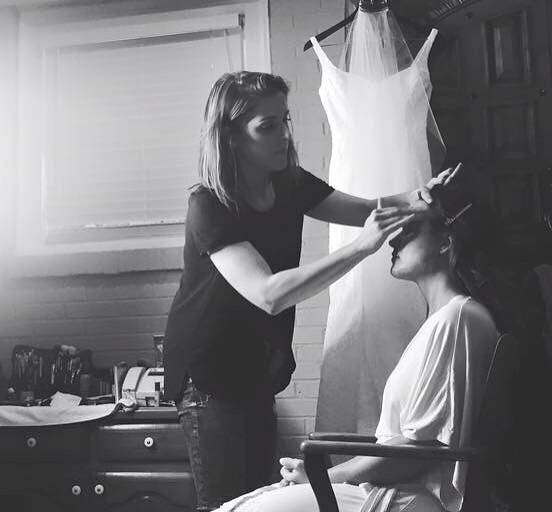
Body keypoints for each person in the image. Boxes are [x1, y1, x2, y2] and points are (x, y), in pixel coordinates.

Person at [162, 70, 457, 511]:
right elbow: (268, 293)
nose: (283, 134)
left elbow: (367, 209)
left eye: (285, 119)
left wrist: (419, 196)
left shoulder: (291, 183)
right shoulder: (209, 204)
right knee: (226, 505)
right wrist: (362, 248)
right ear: (231, 136)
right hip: (208, 375)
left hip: (255, 371)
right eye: (267, 126)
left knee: (260, 497)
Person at [216, 180, 501, 512]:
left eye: (410, 229)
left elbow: (418, 455)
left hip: (409, 497)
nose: (394, 239)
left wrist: (321, 476)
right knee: (246, 503)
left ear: (445, 243)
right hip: (394, 486)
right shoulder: (446, 319)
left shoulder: (457, 320)